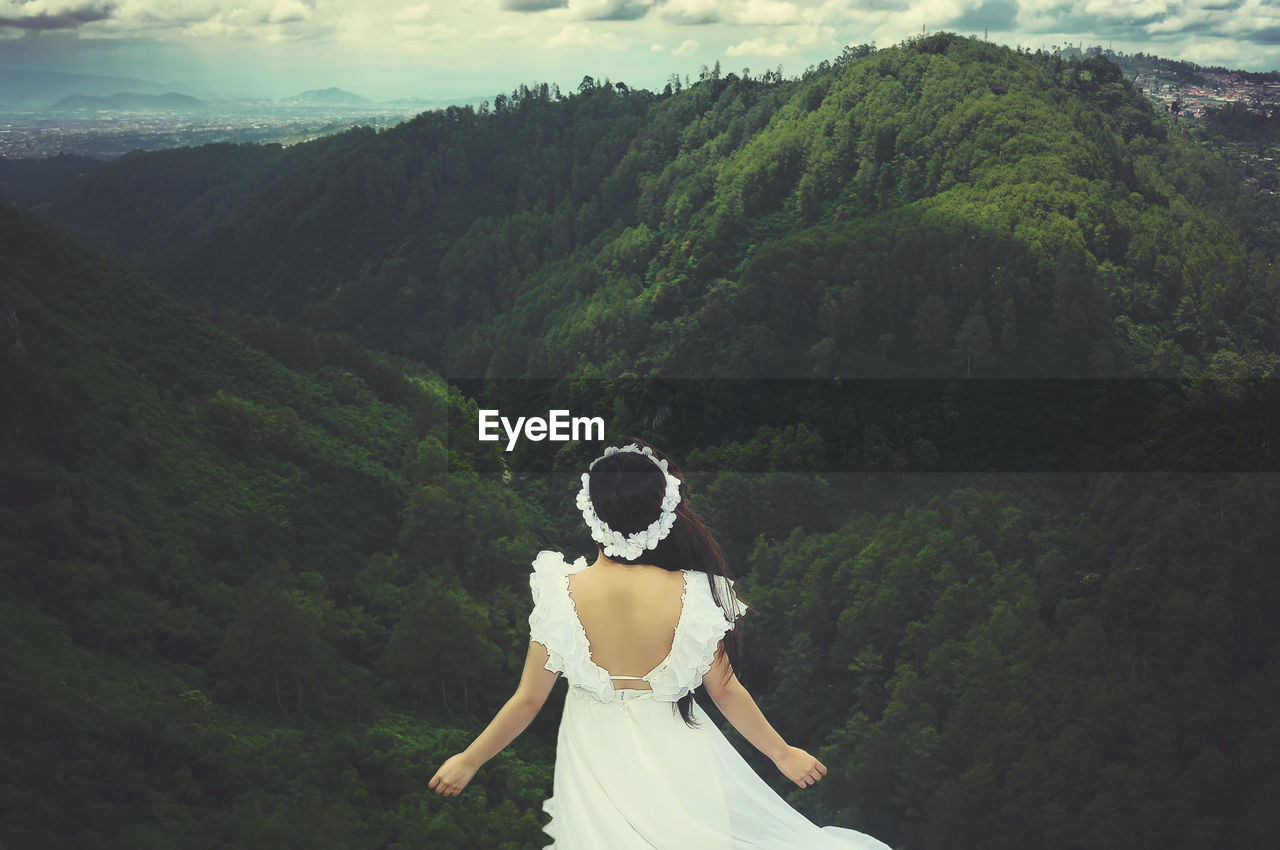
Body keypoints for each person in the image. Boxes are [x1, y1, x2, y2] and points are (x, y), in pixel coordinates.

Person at [429, 440, 891, 848]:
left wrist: (470, 760)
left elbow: (528, 701)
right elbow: (726, 690)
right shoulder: (699, 593)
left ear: (590, 512)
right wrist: (782, 754)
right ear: (664, 513)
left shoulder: (559, 592)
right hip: (685, 760)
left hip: (596, 767)